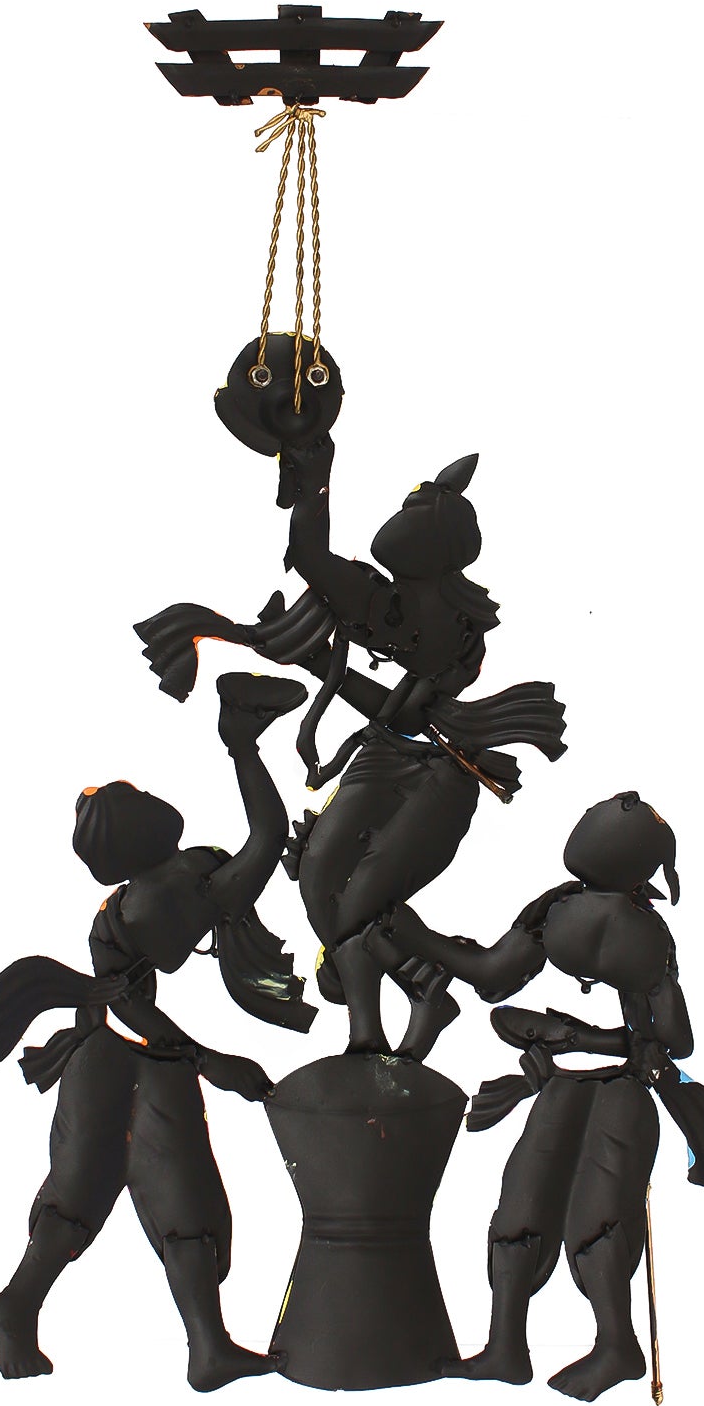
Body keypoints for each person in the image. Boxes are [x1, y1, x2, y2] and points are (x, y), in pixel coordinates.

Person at [134, 339, 567, 1057]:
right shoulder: (383, 600)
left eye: (417, 511)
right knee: (319, 888)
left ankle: (435, 990)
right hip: (384, 758)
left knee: (354, 905)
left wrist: (319, 666)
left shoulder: (450, 626)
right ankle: (428, 989)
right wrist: (315, 471)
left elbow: (415, 711)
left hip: (439, 771)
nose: (402, 519)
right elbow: (312, 559)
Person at [0, 672, 314, 1389]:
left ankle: (204, 1346)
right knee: (99, 1187)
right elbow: (265, 842)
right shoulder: (168, 894)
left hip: (137, 1052)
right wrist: (242, 748)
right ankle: (23, 1306)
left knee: (176, 1192)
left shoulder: (154, 891)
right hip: (124, 1054)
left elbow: (261, 852)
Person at [371, 791, 704, 1400]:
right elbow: (496, 981)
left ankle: (617, 1346)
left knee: (598, 1217)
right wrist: (422, 938)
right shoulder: (596, 920)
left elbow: (673, 1041)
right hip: (564, 1085)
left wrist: (426, 939)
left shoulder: (602, 924)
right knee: (521, 1208)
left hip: (620, 1091)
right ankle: (505, 1347)